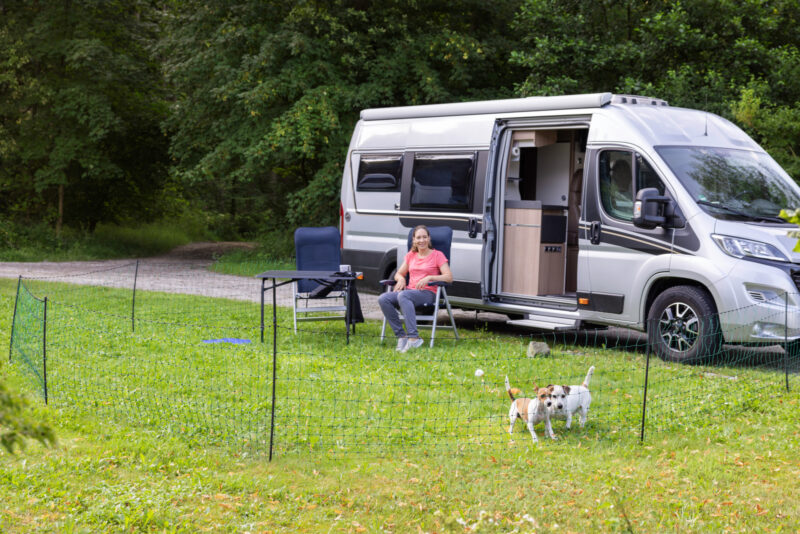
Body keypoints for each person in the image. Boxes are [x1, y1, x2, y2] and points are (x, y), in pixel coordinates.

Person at [378, 225, 453, 352]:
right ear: (414, 240)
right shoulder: (411, 255)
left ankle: (414, 338)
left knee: (403, 295)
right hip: (409, 293)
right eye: (418, 237)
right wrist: (401, 278)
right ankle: (402, 336)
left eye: (424, 237)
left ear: (429, 239)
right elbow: (399, 273)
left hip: (428, 293)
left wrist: (430, 278)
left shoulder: (437, 255)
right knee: (383, 298)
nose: (421, 240)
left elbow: (449, 277)